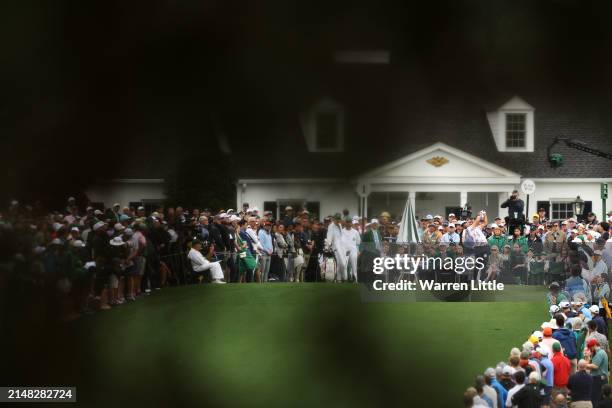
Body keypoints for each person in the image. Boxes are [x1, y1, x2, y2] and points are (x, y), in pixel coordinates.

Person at [586, 339, 609, 406]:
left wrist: (584, 365)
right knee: (599, 398)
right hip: (599, 379)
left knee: (595, 398)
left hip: (599, 379)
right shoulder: (597, 353)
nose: (590, 349)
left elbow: (595, 366)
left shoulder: (600, 353)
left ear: (594, 346)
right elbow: (591, 363)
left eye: (590, 347)